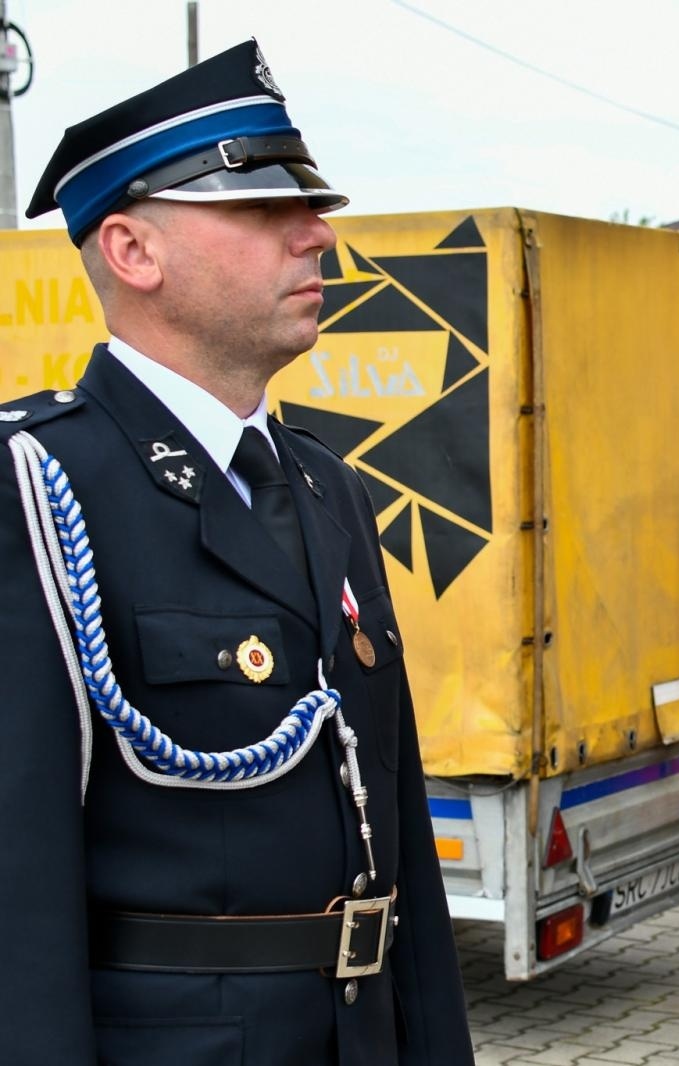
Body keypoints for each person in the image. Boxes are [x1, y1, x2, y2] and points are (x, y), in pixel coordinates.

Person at [0, 42, 474, 1065]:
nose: (318, 237)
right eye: (262, 210)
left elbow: (397, 854)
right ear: (132, 251)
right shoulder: (39, 486)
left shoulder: (327, 486)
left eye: (309, 205)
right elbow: (14, 884)